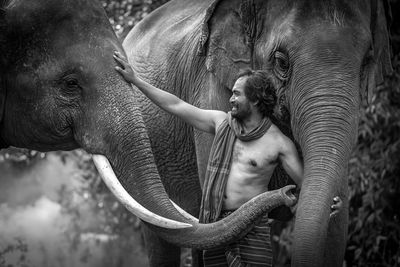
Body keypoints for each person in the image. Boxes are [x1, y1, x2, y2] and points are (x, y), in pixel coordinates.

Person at [113, 51, 342, 267]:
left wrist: (328, 201)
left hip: (252, 229)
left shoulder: (279, 144)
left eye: (236, 94)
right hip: (214, 226)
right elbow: (176, 105)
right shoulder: (221, 123)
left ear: (255, 99)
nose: (230, 99)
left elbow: (307, 187)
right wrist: (136, 81)